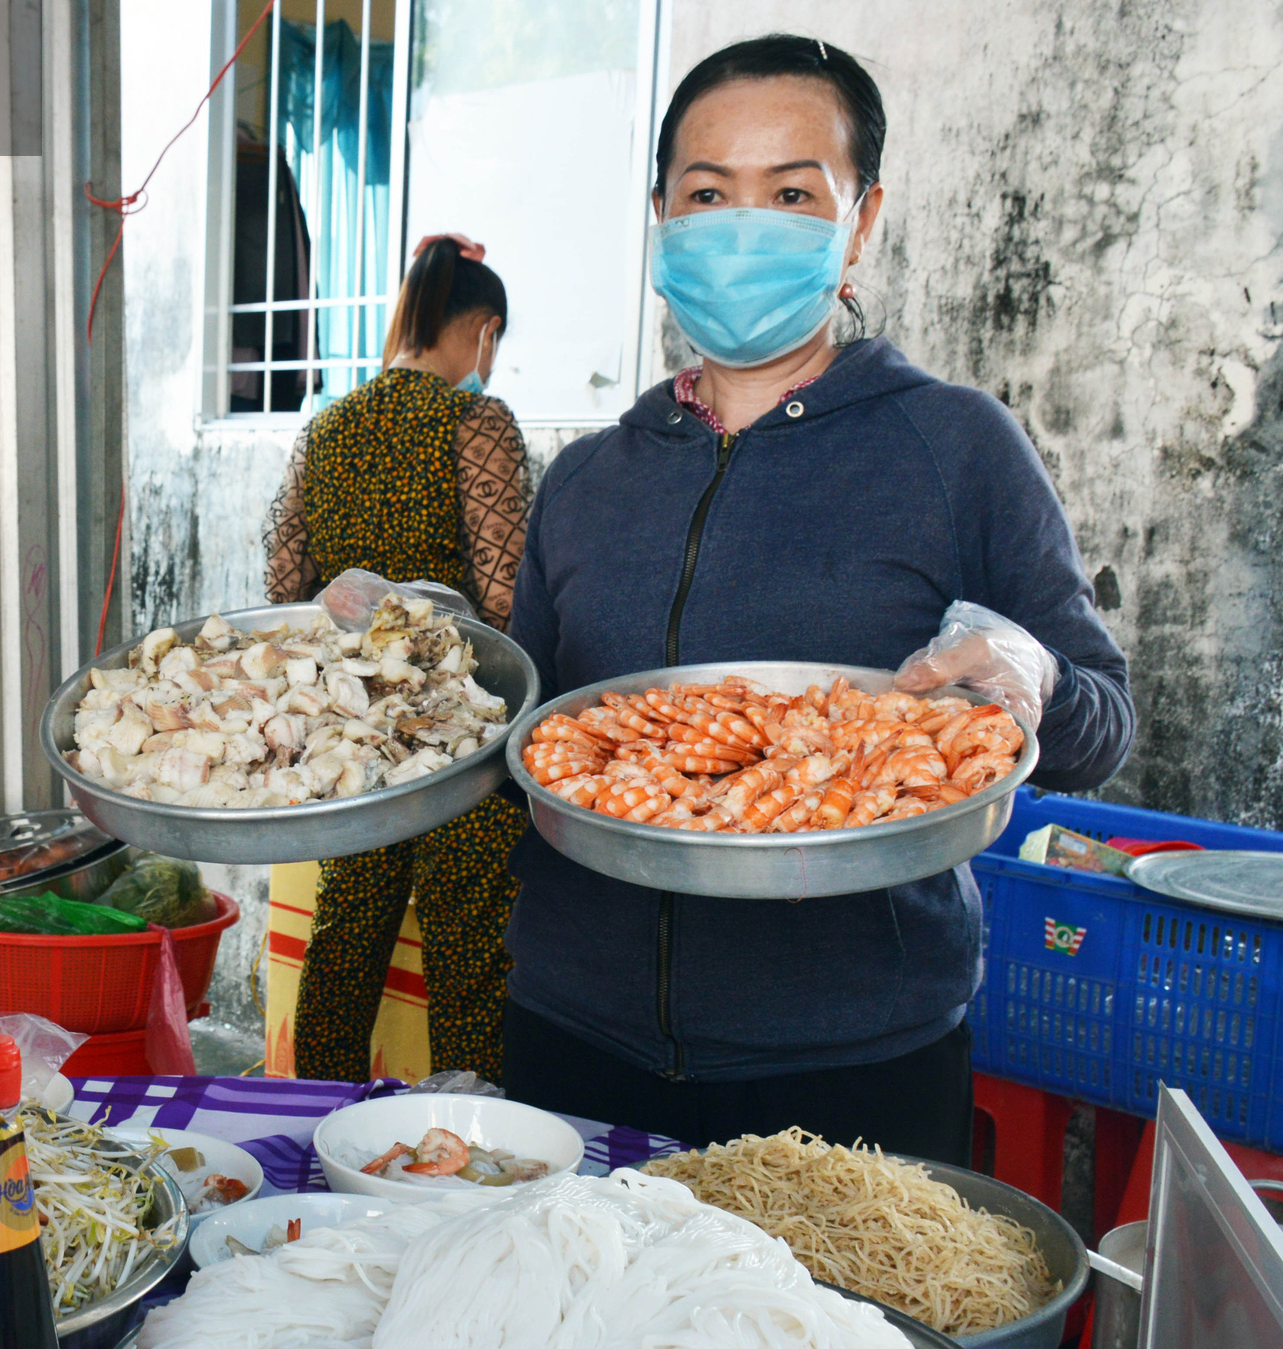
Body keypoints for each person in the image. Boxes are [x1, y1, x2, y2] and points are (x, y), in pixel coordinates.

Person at [502, 36, 1134, 1160]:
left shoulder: (953, 447)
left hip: (850, 1067)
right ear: (661, 215)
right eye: (707, 193)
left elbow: (1099, 721)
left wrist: (1031, 673)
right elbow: (527, 741)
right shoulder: (588, 479)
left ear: (861, 219)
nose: (743, 225)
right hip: (573, 1037)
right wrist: (412, 658)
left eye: (791, 193)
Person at [264, 234, 530, 1084]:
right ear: (483, 331)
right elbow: (507, 599)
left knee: (346, 936)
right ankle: (467, 1139)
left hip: (355, 732)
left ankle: (315, 1117)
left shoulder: (327, 427)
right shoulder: (475, 419)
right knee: (468, 945)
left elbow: (282, 587)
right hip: (457, 733)